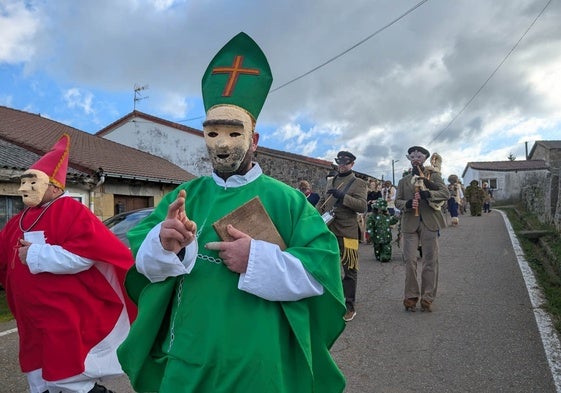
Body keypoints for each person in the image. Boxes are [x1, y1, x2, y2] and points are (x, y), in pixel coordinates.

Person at [116, 32, 346, 393]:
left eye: (234, 132)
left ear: (254, 139)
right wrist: (163, 244)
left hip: (257, 356)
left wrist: (256, 258)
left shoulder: (288, 200)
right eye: (212, 132)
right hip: (188, 351)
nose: (222, 144)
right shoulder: (184, 195)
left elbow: (321, 275)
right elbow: (137, 263)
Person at [0, 133, 137, 393]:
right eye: (23, 181)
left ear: (54, 186)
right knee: (38, 375)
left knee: (67, 376)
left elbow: (84, 256)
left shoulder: (70, 211)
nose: (23, 188)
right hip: (30, 316)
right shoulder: (20, 218)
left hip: (62, 313)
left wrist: (36, 255)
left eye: (32, 182)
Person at [395, 146, 449, 312]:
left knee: (430, 261)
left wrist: (429, 194)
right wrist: (408, 204)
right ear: (409, 159)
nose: (415, 157)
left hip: (429, 222)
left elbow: (445, 193)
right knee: (410, 261)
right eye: (412, 155)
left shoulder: (433, 175)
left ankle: (427, 298)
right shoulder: (404, 181)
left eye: (419, 155)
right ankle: (410, 296)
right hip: (410, 223)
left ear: (425, 157)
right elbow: (397, 202)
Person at [318, 151, 368, 322]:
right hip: (329, 230)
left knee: (350, 270)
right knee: (328, 268)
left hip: (348, 232)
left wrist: (343, 197)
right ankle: (331, 302)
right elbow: (323, 202)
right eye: (339, 162)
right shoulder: (331, 181)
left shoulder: (359, 183)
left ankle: (350, 305)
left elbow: (362, 206)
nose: (342, 165)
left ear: (352, 164)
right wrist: (315, 213)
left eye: (346, 162)